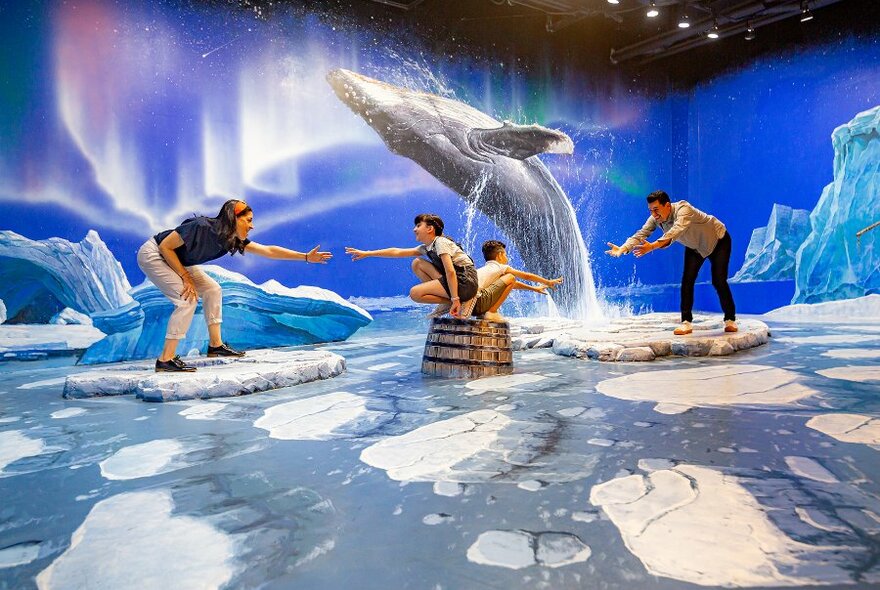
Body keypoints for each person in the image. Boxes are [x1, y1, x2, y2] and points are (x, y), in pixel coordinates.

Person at [137, 199, 332, 372]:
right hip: (155, 254)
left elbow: (268, 251)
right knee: (187, 299)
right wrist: (185, 277)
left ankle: (215, 346)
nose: (252, 226)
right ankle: (165, 359)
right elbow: (165, 247)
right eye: (248, 220)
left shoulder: (230, 239)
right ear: (234, 218)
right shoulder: (201, 226)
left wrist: (305, 257)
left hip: (179, 261)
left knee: (213, 289)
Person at [605, 190, 737, 335]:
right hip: (695, 246)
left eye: (656, 210)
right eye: (651, 211)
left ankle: (730, 320)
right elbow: (641, 234)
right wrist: (623, 248)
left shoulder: (683, 209)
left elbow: (675, 231)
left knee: (718, 280)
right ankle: (686, 323)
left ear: (667, 206)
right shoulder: (655, 219)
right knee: (687, 280)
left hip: (718, 240)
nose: (654, 214)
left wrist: (652, 246)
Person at [345, 213, 478, 318]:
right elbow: (396, 251)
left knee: (415, 293)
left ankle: (457, 301)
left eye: (418, 225)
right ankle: (448, 301)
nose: (414, 229)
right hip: (457, 281)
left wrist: (455, 299)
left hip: (465, 281)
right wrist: (367, 253)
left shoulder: (440, 242)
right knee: (417, 263)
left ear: (430, 229)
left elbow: (450, 272)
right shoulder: (427, 247)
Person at [471, 240, 563, 322]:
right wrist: (548, 282)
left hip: (472, 307)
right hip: (479, 302)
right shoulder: (501, 267)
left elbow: (512, 284)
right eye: (505, 255)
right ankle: (491, 312)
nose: (507, 258)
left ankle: (484, 314)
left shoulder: (485, 270)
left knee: (509, 279)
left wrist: (534, 289)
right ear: (499, 255)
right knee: (511, 276)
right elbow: (527, 276)